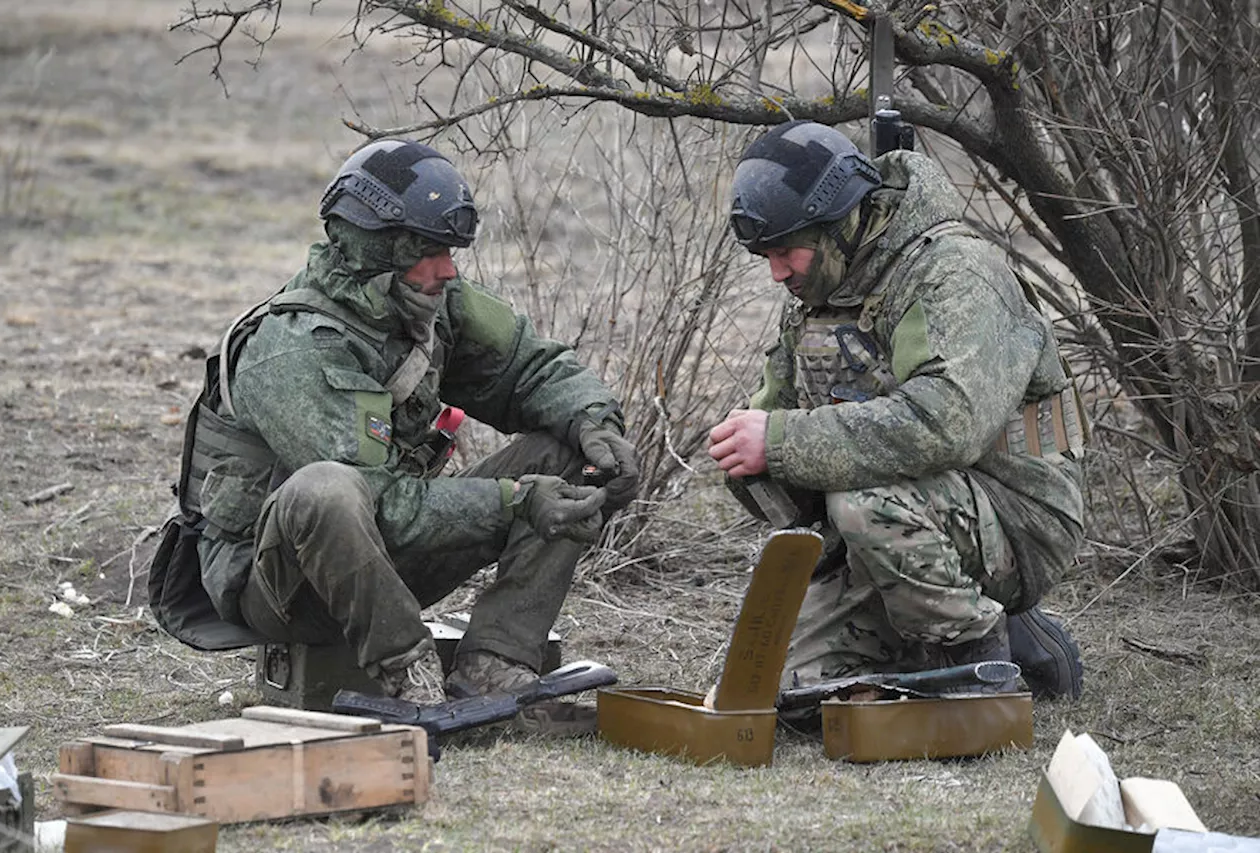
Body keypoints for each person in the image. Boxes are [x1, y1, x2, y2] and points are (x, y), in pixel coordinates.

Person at [155, 138, 639, 730]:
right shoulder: (292, 349)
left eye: (450, 252)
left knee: (563, 451)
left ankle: (495, 665)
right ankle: (407, 675)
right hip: (285, 585)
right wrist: (516, 501)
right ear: (376, 249)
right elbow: (376, 501)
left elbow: (531, 368)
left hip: (387, 556)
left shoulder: (432, 304)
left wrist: (596, 423)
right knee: (326, 489)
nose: (448, 269)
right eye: (428, 252)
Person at [708, 120, 1085, 701]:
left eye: (786, 252)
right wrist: (751, 457)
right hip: (893, 522)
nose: (776, 273)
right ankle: (959, 631)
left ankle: (977, 659)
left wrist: (782, 442)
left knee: (863, 500)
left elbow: (946, 423)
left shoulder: (957, 273)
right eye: (766, 255)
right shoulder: (820, 291)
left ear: (840, 225)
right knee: (784, 692)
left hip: (1019, 515)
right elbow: (780, 417)